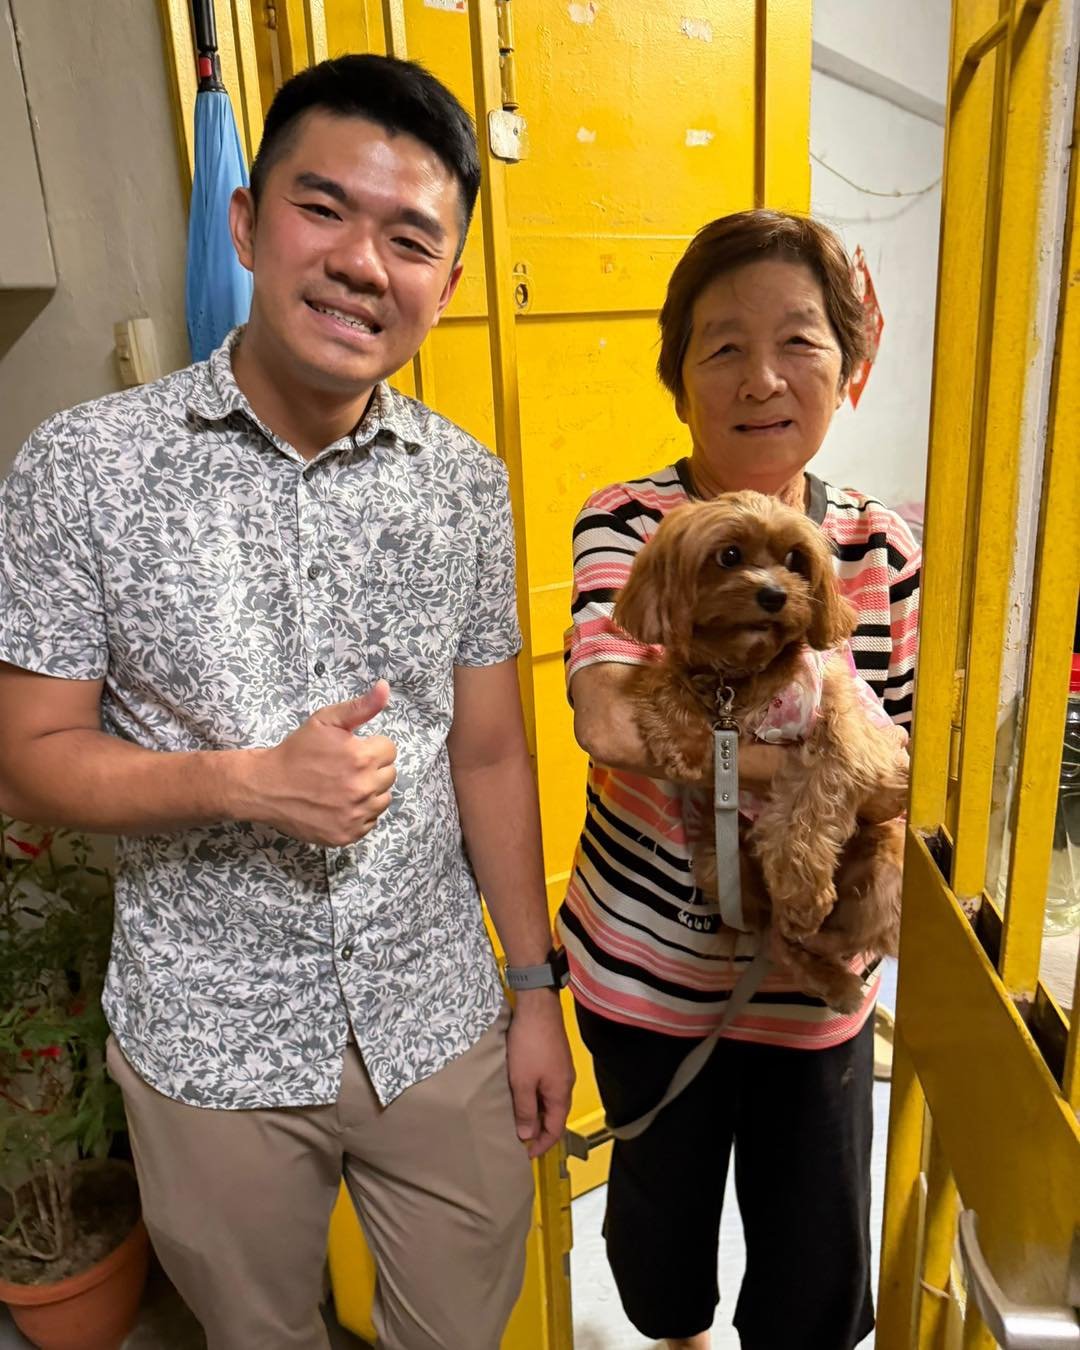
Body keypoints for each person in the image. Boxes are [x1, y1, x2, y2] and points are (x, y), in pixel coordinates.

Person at [0, 54, 573, 1350]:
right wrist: (240, 781)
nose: (365, 262)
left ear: (448, 281)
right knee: (259, 1334)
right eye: (326, 209)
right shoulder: (86, 469)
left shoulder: (463, 487)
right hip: (209, 1040)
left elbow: (488, 754)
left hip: (437, 1018)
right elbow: (27, 757)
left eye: (411, 235)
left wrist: (533, 988)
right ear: (249, 222)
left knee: (462, 1329)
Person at [557, 209, 920, 1350]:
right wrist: (790, 758)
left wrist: (807, 792)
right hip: (649, 972)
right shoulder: (629, 521)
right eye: (722, 346)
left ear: (848, 368)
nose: (762, 377)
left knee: (815, 1265)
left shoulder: (879, 548)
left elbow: (903, 767)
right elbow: (611, 718)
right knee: (658, 1243)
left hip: (816, 989)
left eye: (800, 341)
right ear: (679, 378)